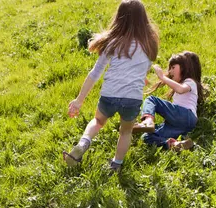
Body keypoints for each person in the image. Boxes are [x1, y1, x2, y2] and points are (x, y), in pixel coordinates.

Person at [64, 0, 159, 172]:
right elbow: (144, 68)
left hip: (110, 94)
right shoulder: (149, 45)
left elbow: (95, 72)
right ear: (143, 19)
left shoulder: (113, 43)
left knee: (98, 121)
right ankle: (116, 164)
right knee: (125, 132)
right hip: (132, 98)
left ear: (119, 19)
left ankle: (83, 143)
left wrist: (79, 100)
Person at [133, 51, 204, 151]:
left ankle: (148, 120)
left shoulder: (190, 82)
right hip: (181, 124)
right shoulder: (185, 84)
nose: (170, 72)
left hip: (185, 115)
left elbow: (180, 89)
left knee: (152, 100)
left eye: (173, 68)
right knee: (147, 137)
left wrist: (162, 77)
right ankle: (174, 144)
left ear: (184, 67)